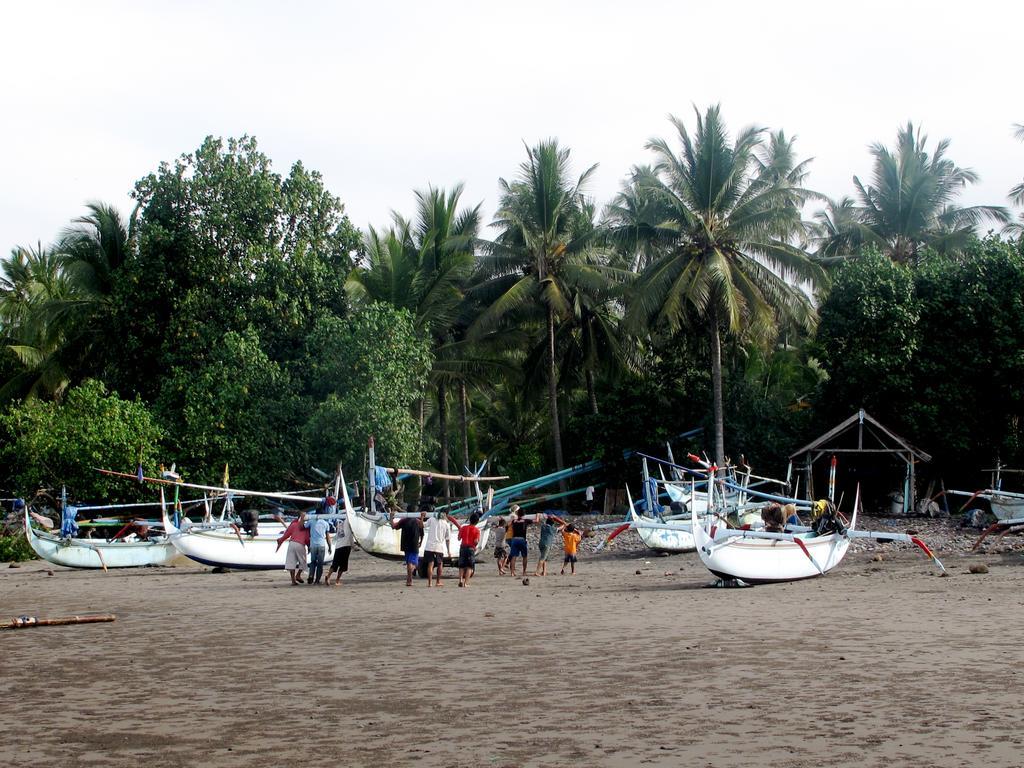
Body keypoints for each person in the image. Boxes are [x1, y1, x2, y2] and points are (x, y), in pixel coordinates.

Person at [276, 510, 311, 585]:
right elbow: (307, 539)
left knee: (291, 562)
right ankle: (298, 575)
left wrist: (280, 540)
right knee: (303, 561)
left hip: (291, 544)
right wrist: (309, 546)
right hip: (300, 544)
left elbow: (286, 534)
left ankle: (293, 581)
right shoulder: (306, 527)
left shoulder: (293, 524)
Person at [448, 511, 481, 587]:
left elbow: (459, 538)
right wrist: (475, 546)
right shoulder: (476, 530)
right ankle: (466, 583)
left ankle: (460, 580)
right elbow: (476, 541)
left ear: (470, 520)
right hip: (470, 548)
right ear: (477, 521)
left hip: (463, 547)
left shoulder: (463, 528)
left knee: (461, 565)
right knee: (469, 566)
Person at [391, 510, 424, 586]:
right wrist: (421, 542)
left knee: (409, 562)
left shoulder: (404, 520)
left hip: (406, 544)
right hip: (414, 544)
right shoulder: (418, 521)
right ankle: (410, 579)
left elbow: (393, 526)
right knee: (414, 563)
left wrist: (391, 517)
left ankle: (409, 580)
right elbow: (422, 532)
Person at [304, 500, 333, 585]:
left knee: (313, 562)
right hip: (321, 545)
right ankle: (317, 580)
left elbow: (304, 527)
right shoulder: (325, 523)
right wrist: (330, 546)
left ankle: (311, 576)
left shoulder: (311, 521)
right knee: (320, 564)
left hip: (313, 545)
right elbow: (327, 536)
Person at [422, 510, 452, 587]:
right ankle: (438, 581)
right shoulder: (446, 524)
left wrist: (422, 517)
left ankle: (430, 583)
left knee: (430, 564)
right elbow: (447, 539)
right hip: (439, 547)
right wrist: (448, 551)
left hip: (429, 546)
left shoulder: (432, 519)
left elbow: (422, 525)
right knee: (439, 564)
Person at [507, 505, 538, 577]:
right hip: (522, 540)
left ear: (517, 514)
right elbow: (536, 521)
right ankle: (524, 572)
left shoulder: (514, 521)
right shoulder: (525, 521)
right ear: (524, 514)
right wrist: (537, 515)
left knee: (514, 556)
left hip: (514, 540)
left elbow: (508, 525)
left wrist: (511, 519)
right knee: (524, 556)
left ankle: (512, 572)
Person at [326, 504, 353, 586]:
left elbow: (337, 537)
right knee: (343, 565)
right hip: (346, 546)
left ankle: (328, 576)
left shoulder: (340, 525)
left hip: (338, 546)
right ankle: (337, 580)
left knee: (335, 563)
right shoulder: (348, 522)